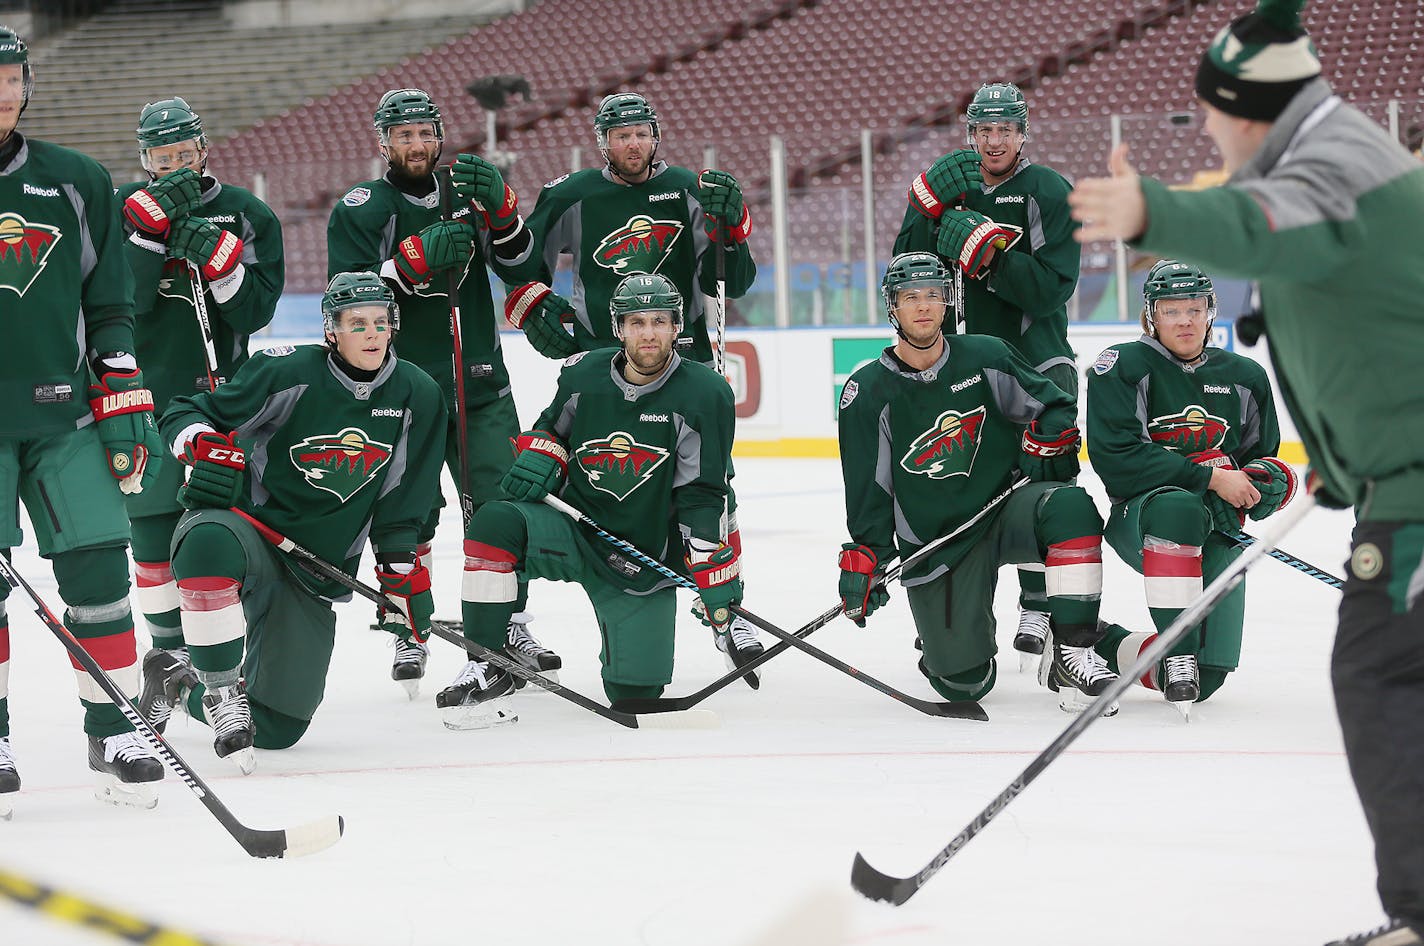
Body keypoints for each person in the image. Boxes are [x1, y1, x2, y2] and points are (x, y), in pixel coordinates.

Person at [1067, 1, 1424, 940]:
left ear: (1247, 107)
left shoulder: (1330, 165)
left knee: (1384, 675)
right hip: (1398, 479)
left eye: (1215, 114)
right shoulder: (1340, 149)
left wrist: (1157, 210)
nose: (1213, 132)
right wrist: (1349, 467)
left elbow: (1270, 225)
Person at [503, 91, 765, 679]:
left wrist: (735, 229)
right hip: (602, 365)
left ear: (656, 135)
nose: (633, 143)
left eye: (641, 132)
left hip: (685, 363)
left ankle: (727, 607)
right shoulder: (572, 195)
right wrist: (535, 311)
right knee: (588, 483)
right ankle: (515, 620)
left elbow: (736, 281)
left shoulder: (690, 190)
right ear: (603, 142)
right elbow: (521, 267)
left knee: (711, 487)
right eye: (621, 135)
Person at [140, 273, 446, 773]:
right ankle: (219, 689)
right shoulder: (288, 372)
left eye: (380, 322)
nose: (372, 333)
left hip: (315, 567)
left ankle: (176, 680)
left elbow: (403, 497)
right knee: (207, 538)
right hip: (251, 534)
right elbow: (188, 410)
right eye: (357, 323)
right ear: (332, 331)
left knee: (279, 727)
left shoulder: (418, 393)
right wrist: (199, 443)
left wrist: (398, 573)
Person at [327, 87, 556, 695]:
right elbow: (344, 292)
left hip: (480, 381)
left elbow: (524, 269)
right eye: (403, 136)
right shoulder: (361, 207)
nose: (418, 145)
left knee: (502, 508)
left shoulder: (467, 190)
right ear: (383, 143)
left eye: (426, 133)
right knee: (409, 515)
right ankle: (407, 624)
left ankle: (511, 622)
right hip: (402, 394)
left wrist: (505, 214)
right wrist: (407, 264)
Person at [438, 272, 736, 728]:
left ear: (678, 325)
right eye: (636, 322)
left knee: (635, 692)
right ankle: (487, 660)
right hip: (573, 529)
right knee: (495, 523)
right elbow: (550, 430)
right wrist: (545, 459)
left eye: (660, 321)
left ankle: (634, 660)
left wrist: (707, 560)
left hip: (642, 555)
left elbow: (702, 490)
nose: (649, 333)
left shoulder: (705, 392)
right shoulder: (584, 373)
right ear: (618, 328)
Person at [0, 24, 166, 813]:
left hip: (63, 415)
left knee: (101, 571)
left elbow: (110, 304)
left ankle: (115, 726)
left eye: (11, 77)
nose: (2, 91)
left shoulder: (74, 179)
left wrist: (123, 391)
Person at [835, 252, 1116, 712]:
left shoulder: (986, 354)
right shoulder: (866, 392)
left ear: (948, 302)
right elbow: (870, 487)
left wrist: (1045, 440)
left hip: (1004, 510)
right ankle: (942, 642)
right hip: (938, 541)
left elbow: (1056, 405)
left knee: (1071, 508)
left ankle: (1074, 646)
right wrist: (870, 555)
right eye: (911, 297)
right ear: (893, 307)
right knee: (964, 684)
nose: (923, 306)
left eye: (933, 294)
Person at [893, 82, 1082, 667]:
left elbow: (1055, 287)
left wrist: (992, 260)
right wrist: (923, 206)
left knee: (1043, 482)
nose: (994, 140)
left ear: (1023, 133)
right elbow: (905, 270)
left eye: (1006, 129)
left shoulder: (1047, 189)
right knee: (962, 483)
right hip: (961, 371)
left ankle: (1038, 601)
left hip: (1034, 364)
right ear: (970, 133)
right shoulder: (955, 191)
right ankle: (957, 604)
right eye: (984, 129)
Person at [116, 96, 283, 731]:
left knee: (226, 531)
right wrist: (144, 241)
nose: (176, 165)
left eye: (185, 153)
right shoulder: (120, 209)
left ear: (204, 149)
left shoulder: (247, 211)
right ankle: (168, 657)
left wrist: (224, 267)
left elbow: (256, 315)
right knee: (152, 535)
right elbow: (118, 307)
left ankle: (223, 669)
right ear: (144, 158)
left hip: (229, 398)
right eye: (163, 156)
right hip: (145, 399)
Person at [1085, 260, 1295, 719]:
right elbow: (1117, 459)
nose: (1184, 320)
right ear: (1150, 315)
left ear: (1210, 312)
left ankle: (1100, 639)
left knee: (1207, 675)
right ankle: (1174, 647)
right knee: (1178, 506)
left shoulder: (1245, 376)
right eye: (1171, 310)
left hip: (1216, 529)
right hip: (1141, 518)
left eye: (1194, 309)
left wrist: (1265, 486)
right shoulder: (1121, 366)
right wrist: (1211, 478)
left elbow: (1262, 461)